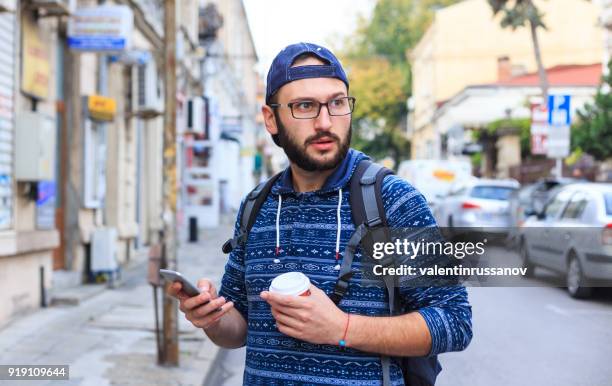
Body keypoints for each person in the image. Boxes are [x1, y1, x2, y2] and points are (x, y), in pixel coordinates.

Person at [167, 42, 472, 385]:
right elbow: (238, 330)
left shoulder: (394, 201)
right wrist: (211, 318)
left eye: (337, 103)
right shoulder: (256, 206)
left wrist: (342, 328)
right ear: (271, 119)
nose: (325, 122)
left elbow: (454, 322)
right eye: (305, 106)